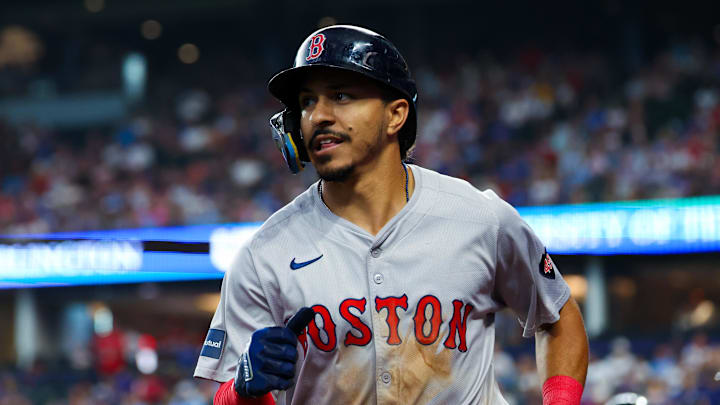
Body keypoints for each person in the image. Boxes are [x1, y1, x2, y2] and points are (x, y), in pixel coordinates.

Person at [194, 24, 589, 405]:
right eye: (307, 102)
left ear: (396, 115)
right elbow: (229, 395)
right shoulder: (264, 255)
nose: (319, 115)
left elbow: (557, 316)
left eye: (342, 96)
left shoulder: (479, 218)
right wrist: (245, 388)